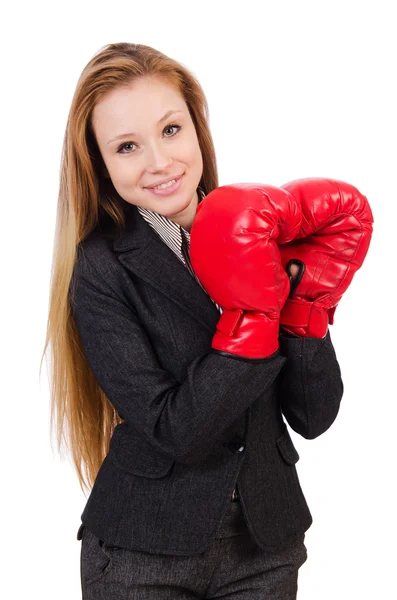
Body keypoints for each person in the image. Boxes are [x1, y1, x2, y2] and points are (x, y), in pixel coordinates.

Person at [41, 42, 360, 599]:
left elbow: (313, 416)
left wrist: (307, 306)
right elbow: (172, 429)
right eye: (126, 146)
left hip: (265, 546)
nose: (160, 163)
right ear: (100, 163)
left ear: (196, 128)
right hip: (144, 555)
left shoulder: (263, 231)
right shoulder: (101, 267)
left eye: (170, 131)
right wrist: (253, 317)